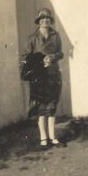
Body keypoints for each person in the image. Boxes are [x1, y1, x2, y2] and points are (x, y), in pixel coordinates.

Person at [22, 8, 66, 149]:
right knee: (41, 107)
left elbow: (61, 53)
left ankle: (53, 138)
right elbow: (25, 57)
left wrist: (53, 57)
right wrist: (39, 61)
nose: (45, 21)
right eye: (42, 19)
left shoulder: (55, 35)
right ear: (38, 22)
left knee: (52, 105)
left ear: (50, 20)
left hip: (53, 74)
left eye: (47, 19)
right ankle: (43, 139)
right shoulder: (32, 38)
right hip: (39, 76)